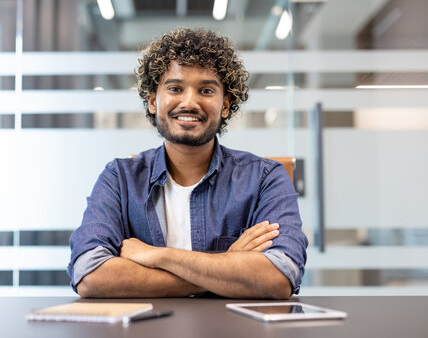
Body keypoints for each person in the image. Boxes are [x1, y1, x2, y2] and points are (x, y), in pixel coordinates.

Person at [68, 28, 307, 299]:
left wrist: (157, 256)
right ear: (152, 101)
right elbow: (90, 274)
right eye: (175, 88)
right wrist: (226, 264)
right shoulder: (119, 179)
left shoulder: (266, 178)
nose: (190, 102)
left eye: (206, 90)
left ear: (226, 104)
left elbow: (279, 276)